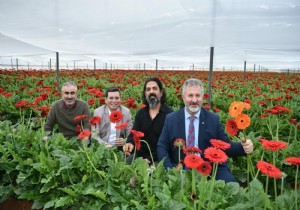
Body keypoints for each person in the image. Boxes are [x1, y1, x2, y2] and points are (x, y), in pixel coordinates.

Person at [157, 78, 254, 182]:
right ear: (183, 97)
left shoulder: (213, 119)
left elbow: (225, 145)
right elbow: (162, 146)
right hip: (181, 168)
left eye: (197, 95)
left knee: (232, 185)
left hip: (211, 167)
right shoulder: (171, 119)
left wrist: (243, 147)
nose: (194, 100)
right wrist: (171, 170)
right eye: (190, 95)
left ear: (202, 97)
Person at [123, 78, 173, 164]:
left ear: (161, 93)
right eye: (148, 89)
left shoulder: (170, 115)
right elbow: (134, 133)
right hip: (140, 156)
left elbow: (168, 145)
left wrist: (149, 159)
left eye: (155, 88)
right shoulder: (141, 113)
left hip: (160, 157)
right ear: (145, 94)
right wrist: (129, 143)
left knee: (151, 173)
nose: (151, 92)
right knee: (124, 167)